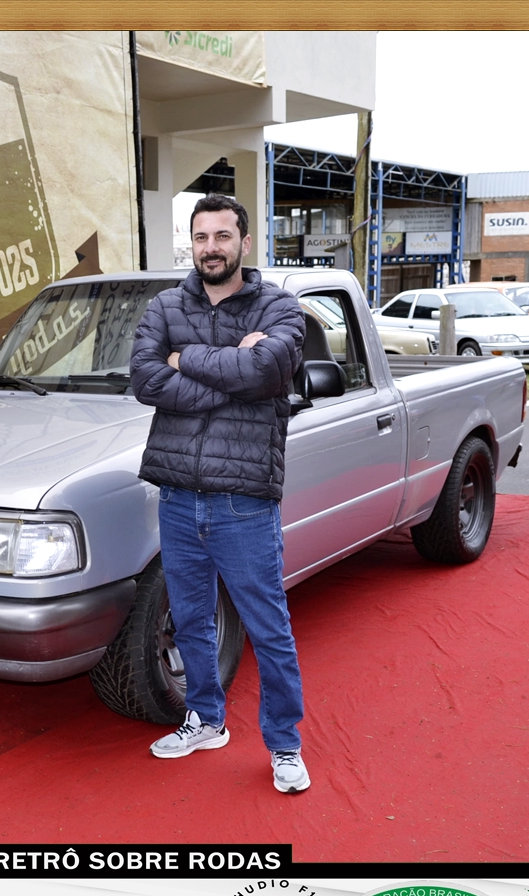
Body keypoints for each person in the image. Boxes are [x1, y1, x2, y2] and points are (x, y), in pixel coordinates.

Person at [129, 194, 311, 794]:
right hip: (178, 495)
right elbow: (145, 379)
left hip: (244, 500)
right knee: (190, 620)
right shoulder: (164, 306)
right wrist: (234, 368)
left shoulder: (279, 306)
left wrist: (186, 358)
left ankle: (284, 744)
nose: (211, 248)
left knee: (268, 627)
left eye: (223, 236)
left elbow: (266, 373)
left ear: (245, 242)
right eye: (201, 237)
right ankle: (206, 720)